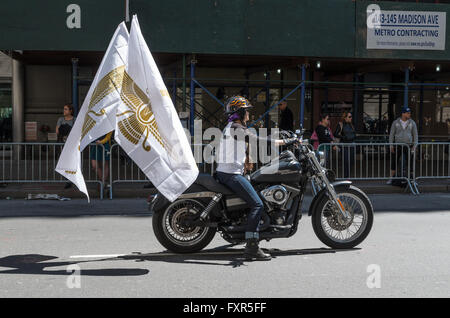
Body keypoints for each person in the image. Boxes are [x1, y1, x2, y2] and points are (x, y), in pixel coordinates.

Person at [216, 96, 297, 261]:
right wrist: (284, 141)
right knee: (257, 204)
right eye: (246, 111)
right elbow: (256, 140)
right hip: (231, 174)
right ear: (239, 112)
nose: (248, 114)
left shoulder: (233, 127)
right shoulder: (236, 128)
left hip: (229, 172)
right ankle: (251, 247)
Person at [387, 106, 418, 185]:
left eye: (409, 113)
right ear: (403, 114)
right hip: (398, 145)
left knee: (411, 162)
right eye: (408, 113)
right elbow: (391, 134)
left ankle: (412, 179)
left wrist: (414, 146)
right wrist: (391, 145)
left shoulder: (412, 122)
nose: (409, 114)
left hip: (408, 145)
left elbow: (415, 135)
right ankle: (391, 179)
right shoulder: (396, 122)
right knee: (394, 161)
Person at [334, 111, 356, 178]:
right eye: (349, 117)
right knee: (346, 161)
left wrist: (354, 137)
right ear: (345, 118)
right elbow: (335, 134)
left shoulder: (351, 125)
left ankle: (348, 175)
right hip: (344, 145)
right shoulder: (341, 124)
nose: (351, 118)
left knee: (351, 161)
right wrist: (344, 137)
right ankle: (346, 176)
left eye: (351, 117)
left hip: (351, 145)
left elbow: (354, 133)